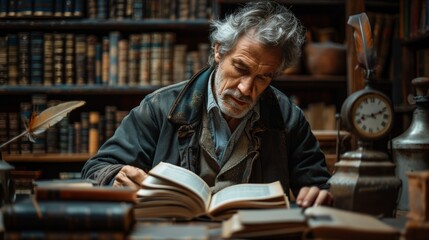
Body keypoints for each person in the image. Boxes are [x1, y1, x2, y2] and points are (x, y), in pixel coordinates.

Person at [81, 1, 333, 208]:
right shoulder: (160, 107)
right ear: (218, 51)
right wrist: (115, 177)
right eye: (240, 68)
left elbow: (319, 187)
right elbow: (95, 169)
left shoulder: (288, 118)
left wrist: (319, 195)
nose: (246, 88)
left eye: (262, 77)